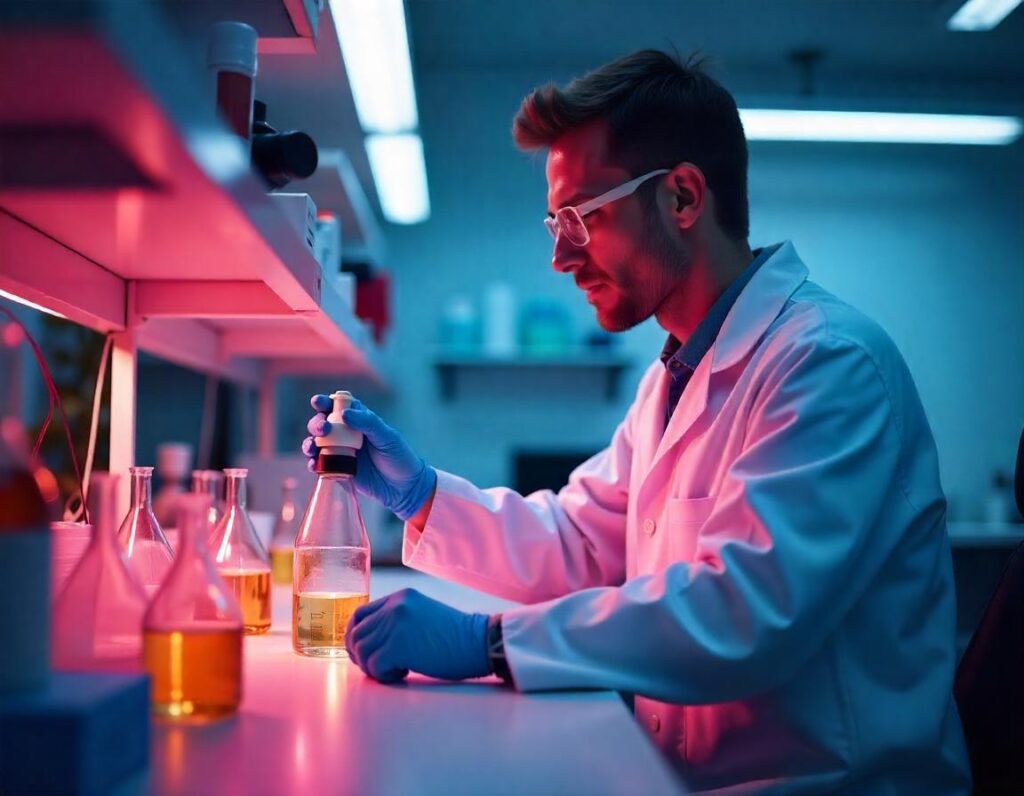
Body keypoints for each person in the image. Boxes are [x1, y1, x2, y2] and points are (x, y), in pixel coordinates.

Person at [301, 50, 970, 793]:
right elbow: (582, 540)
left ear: (682, 197)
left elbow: (742, 611)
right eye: (555, 221)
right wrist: (421, 494)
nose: (560, 255)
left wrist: (487, 643)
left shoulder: (829, 365)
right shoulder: (675, 376)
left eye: (583, 218)